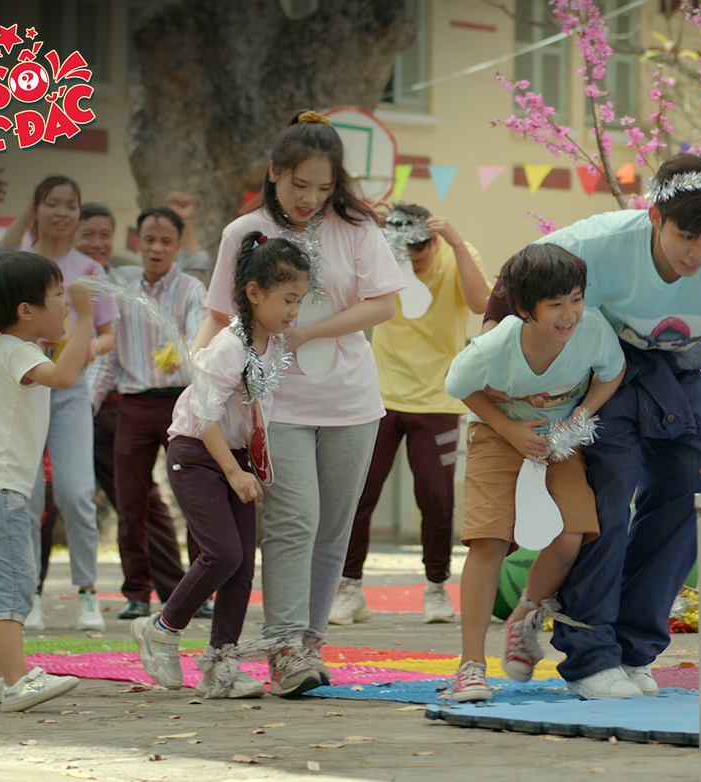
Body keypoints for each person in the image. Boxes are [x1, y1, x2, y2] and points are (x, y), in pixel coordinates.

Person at [483, 154, 701, 699]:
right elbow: (514, 278)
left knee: (690, 498)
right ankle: (589, 654)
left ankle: (633, 650)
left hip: (680, 376)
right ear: (655, 217)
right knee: (610, 499)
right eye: (687, 235)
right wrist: (501, 364)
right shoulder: (603, 239)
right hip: (608, 375)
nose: (698, 254)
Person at [193, 110, 403, 697]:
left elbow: (384, 304)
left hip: (351, 401)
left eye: (324, 187)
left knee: (333, 528)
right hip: (274, 401)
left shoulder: (356, 228)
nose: (311, 198)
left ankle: (308, 645)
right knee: (292, 521)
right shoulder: (244, 232)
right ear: (274, 173)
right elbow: (217, 315)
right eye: (298, 185)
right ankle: (283, 648)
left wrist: (312, 331)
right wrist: (198, 385)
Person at [444, 244, 624, 702]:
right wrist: (507, 427)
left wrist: (579, 417)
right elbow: (458, 386)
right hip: (498, 436)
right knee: (490, 541)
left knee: (569, 535)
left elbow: (612, 373)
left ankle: (524, 614)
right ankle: (470, 666)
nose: (570, 314)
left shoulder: (594, 331)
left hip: (560, 441)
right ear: (525, 308)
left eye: (577, 299)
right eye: (556, 304)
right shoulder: (494, 346)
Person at [133, 233, 308, 699]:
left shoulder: (271, 343)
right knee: (223, 554)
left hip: (236, 458)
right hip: (196, 453)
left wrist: (248, 463)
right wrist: (232, 472)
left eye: (299, 300)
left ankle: (221, 665)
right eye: (287, 298)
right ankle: (163, 628)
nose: (295, 310)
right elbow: (207, 416)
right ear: (255, 293)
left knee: (242, 567)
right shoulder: (232, 345)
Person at [332, 203, 489, 626]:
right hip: (379, 394)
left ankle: (436, 588)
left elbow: (481, 303)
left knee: (436, 498)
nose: (413, 265)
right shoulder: (384, 253)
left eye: (420, 256)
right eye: (407, 255)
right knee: (359, 493)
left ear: (433, 243)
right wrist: (368, 226)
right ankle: (349, 588)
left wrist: (455, 241)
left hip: (438, 397)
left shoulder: (458, 252)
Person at [0, 251, 91, 711]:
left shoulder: (5, 349)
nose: (66, 303)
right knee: (9, 583)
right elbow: (67, 375)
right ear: (26, 311)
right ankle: (18, 680)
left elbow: (65, 357)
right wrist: (89, 315)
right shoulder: (19, 352)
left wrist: (76, 323)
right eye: (57, 296)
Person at [13, 176, 119, 632]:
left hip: (70, 394)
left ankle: (87, 594)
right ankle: (27, 595)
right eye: (52, 203)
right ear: (37, 208)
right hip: (23, 391)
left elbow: (109, 334)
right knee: (28, 495)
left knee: (76, 494)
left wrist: (88, 347)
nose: (62, 212)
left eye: (70, 205)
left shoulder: (89, 270)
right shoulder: (18, 261)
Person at [92, 207, 208, 620]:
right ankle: (136, 593)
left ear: (178, 245)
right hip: (135, 404)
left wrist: (185, 352)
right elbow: (109, 359)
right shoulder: (122, 290)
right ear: (137, 242)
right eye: (149, 240)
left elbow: (199, 339)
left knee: (197, 500)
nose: (156, 248)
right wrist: (88, 402)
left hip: (181, 402)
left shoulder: (192, 289)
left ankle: (202, 593)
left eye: (165, 241)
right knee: (131, 503)